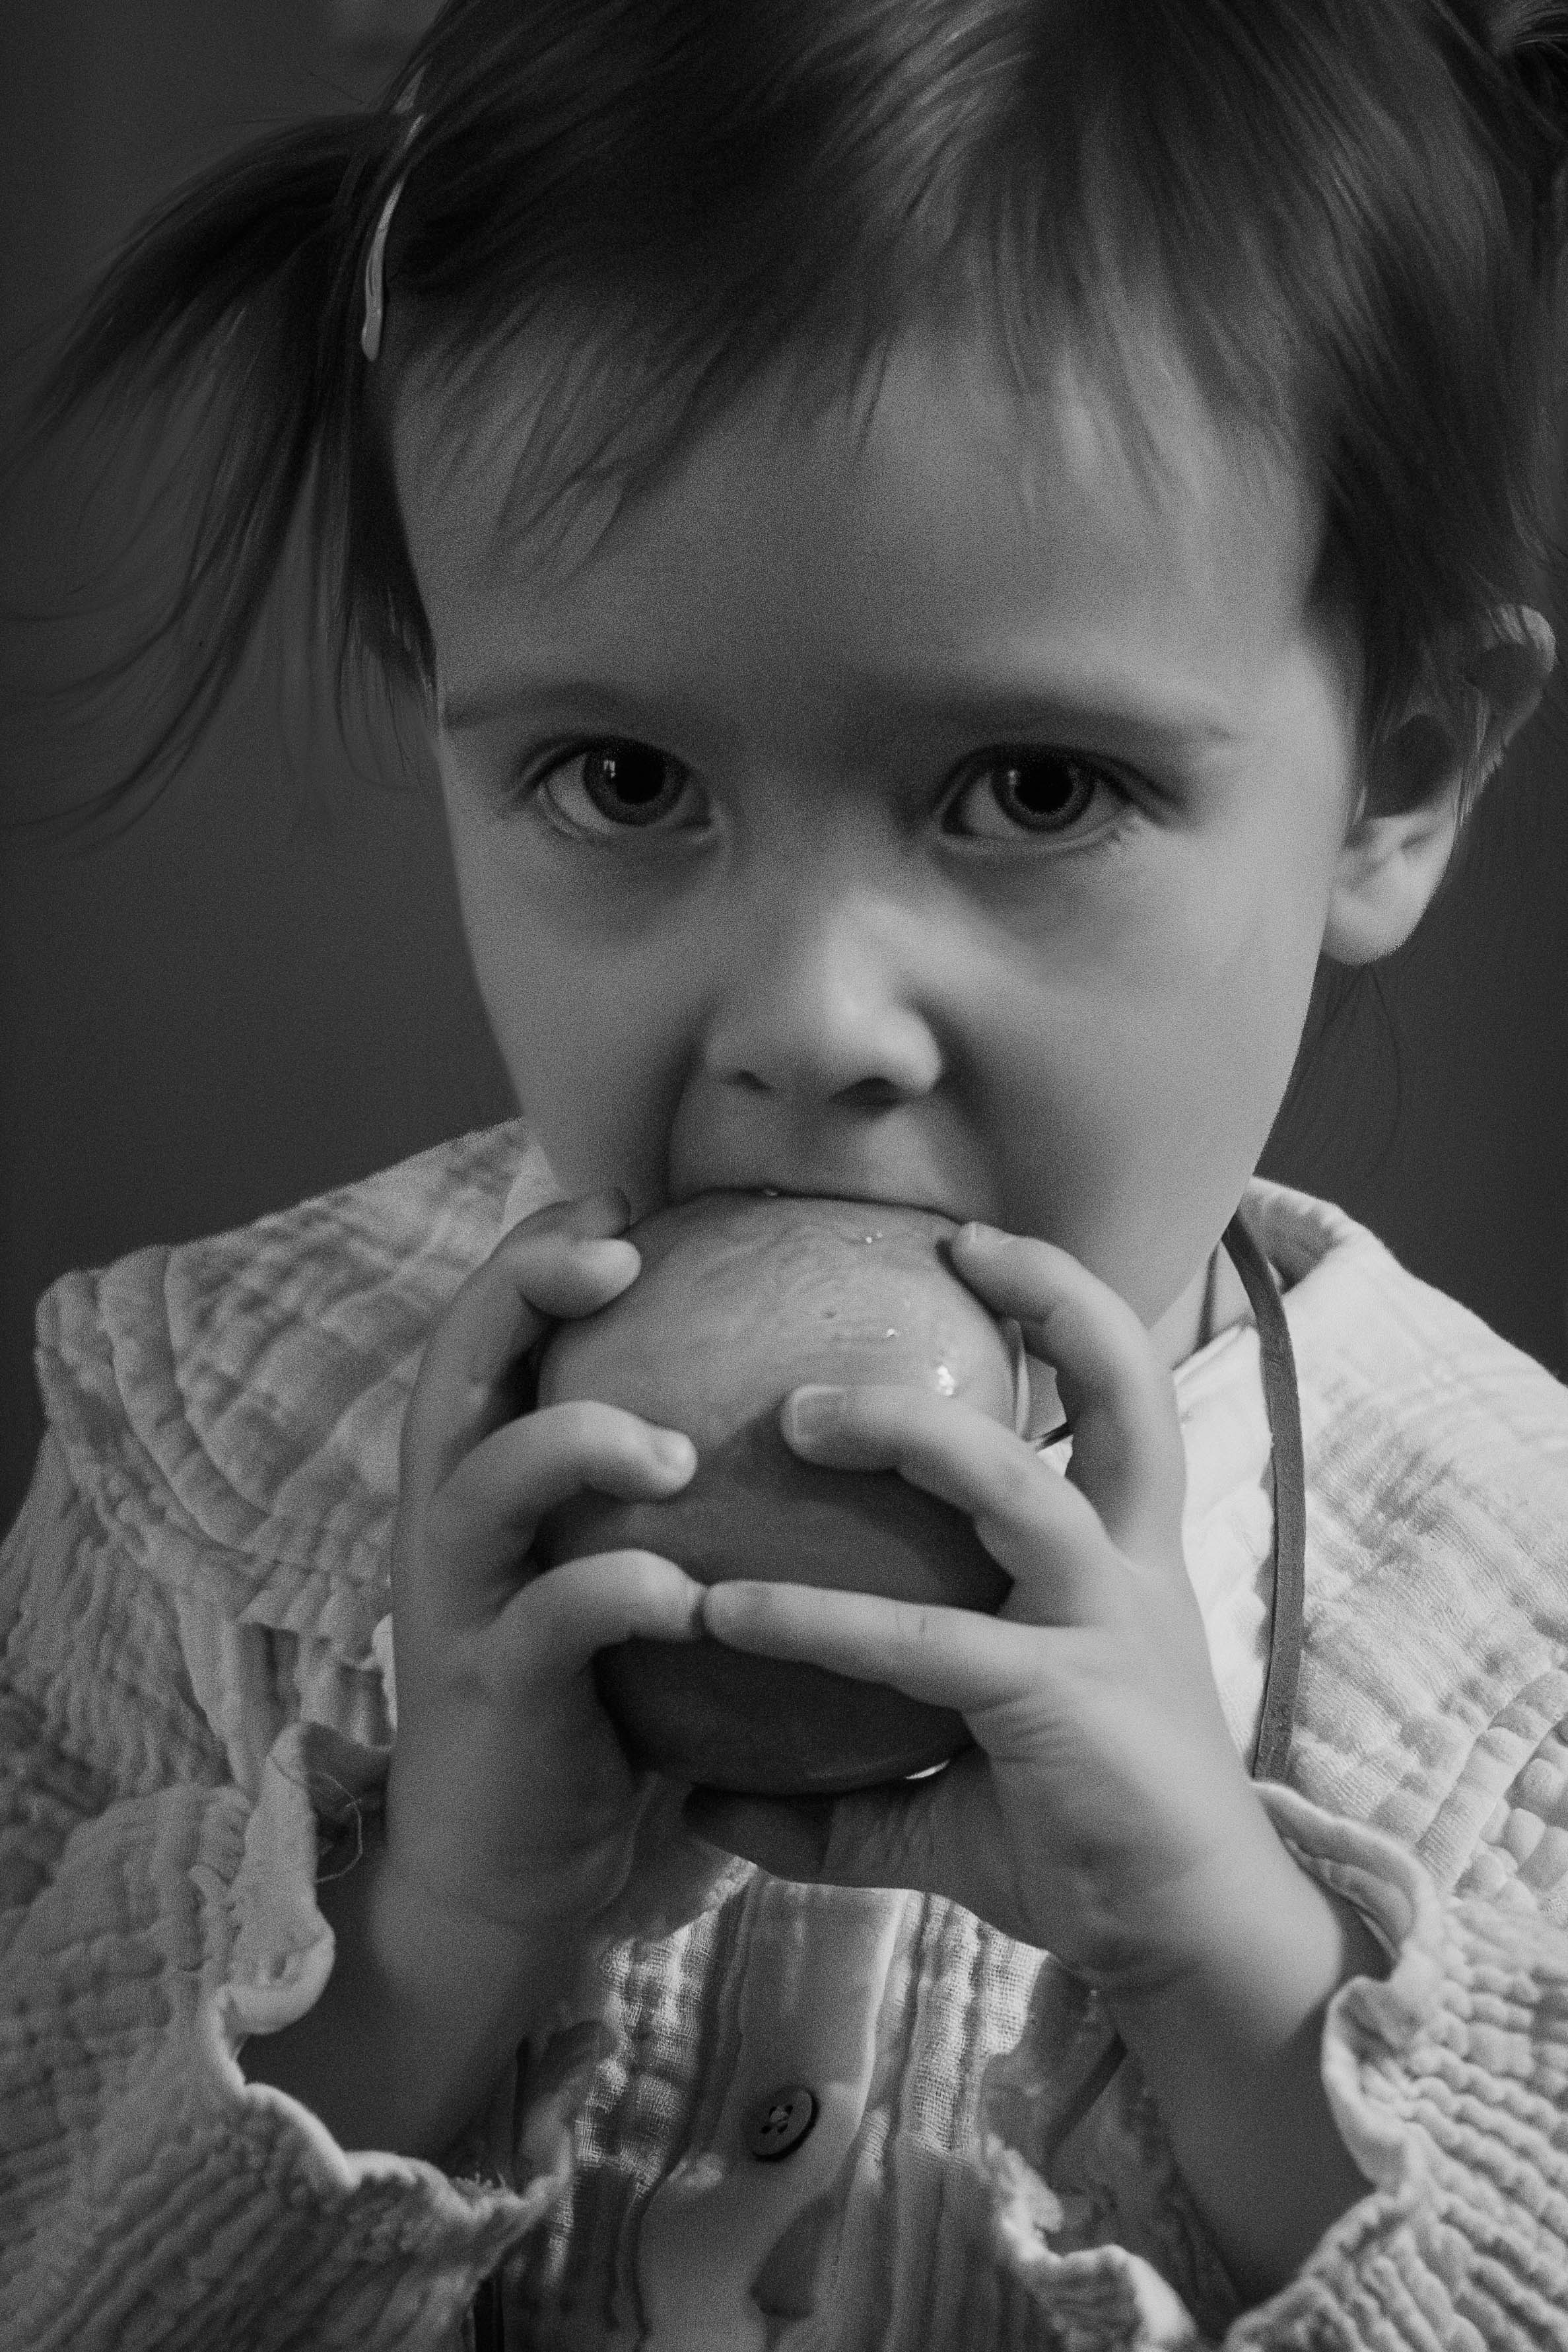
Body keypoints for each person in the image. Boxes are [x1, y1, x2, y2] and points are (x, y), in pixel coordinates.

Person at [7, 1, 1568, 2344]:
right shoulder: (209, 1471)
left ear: (1396, 782)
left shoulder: (1519, 1632)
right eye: (626, 779)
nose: (811, 1023)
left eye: (1033, 790)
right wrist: (420, 1952)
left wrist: (1228, 1968)